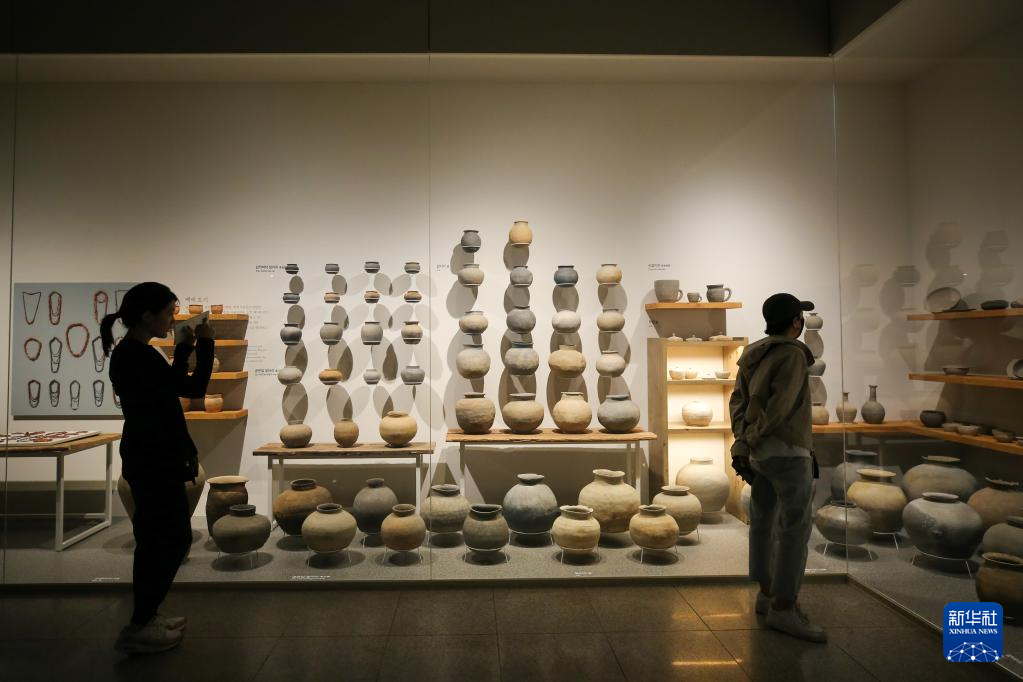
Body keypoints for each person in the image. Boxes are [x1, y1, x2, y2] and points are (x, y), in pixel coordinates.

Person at [101, 282, 215, 654]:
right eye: (168, 313)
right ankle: (139, 624)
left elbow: (172, 387)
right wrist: (204, 345)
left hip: (152, 456)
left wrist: (183, 349)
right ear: (147, 315)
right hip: (153, 458)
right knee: (162, 541)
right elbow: (193, 388)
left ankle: (147, 616)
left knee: (162, 539)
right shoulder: (135, 356)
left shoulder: (135, 354)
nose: (171, 320)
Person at [729, 292, 825, 643]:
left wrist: (744, 440)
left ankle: (766, 593)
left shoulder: (752, 354)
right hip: (788, 451)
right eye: (800, 318)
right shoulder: (793, 354)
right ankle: (784, 607)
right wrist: (751, 437)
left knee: (763, 522)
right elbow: (781, 408)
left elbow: (738, 402)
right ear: (795, 322)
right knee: (794, 530)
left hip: (760, 454)